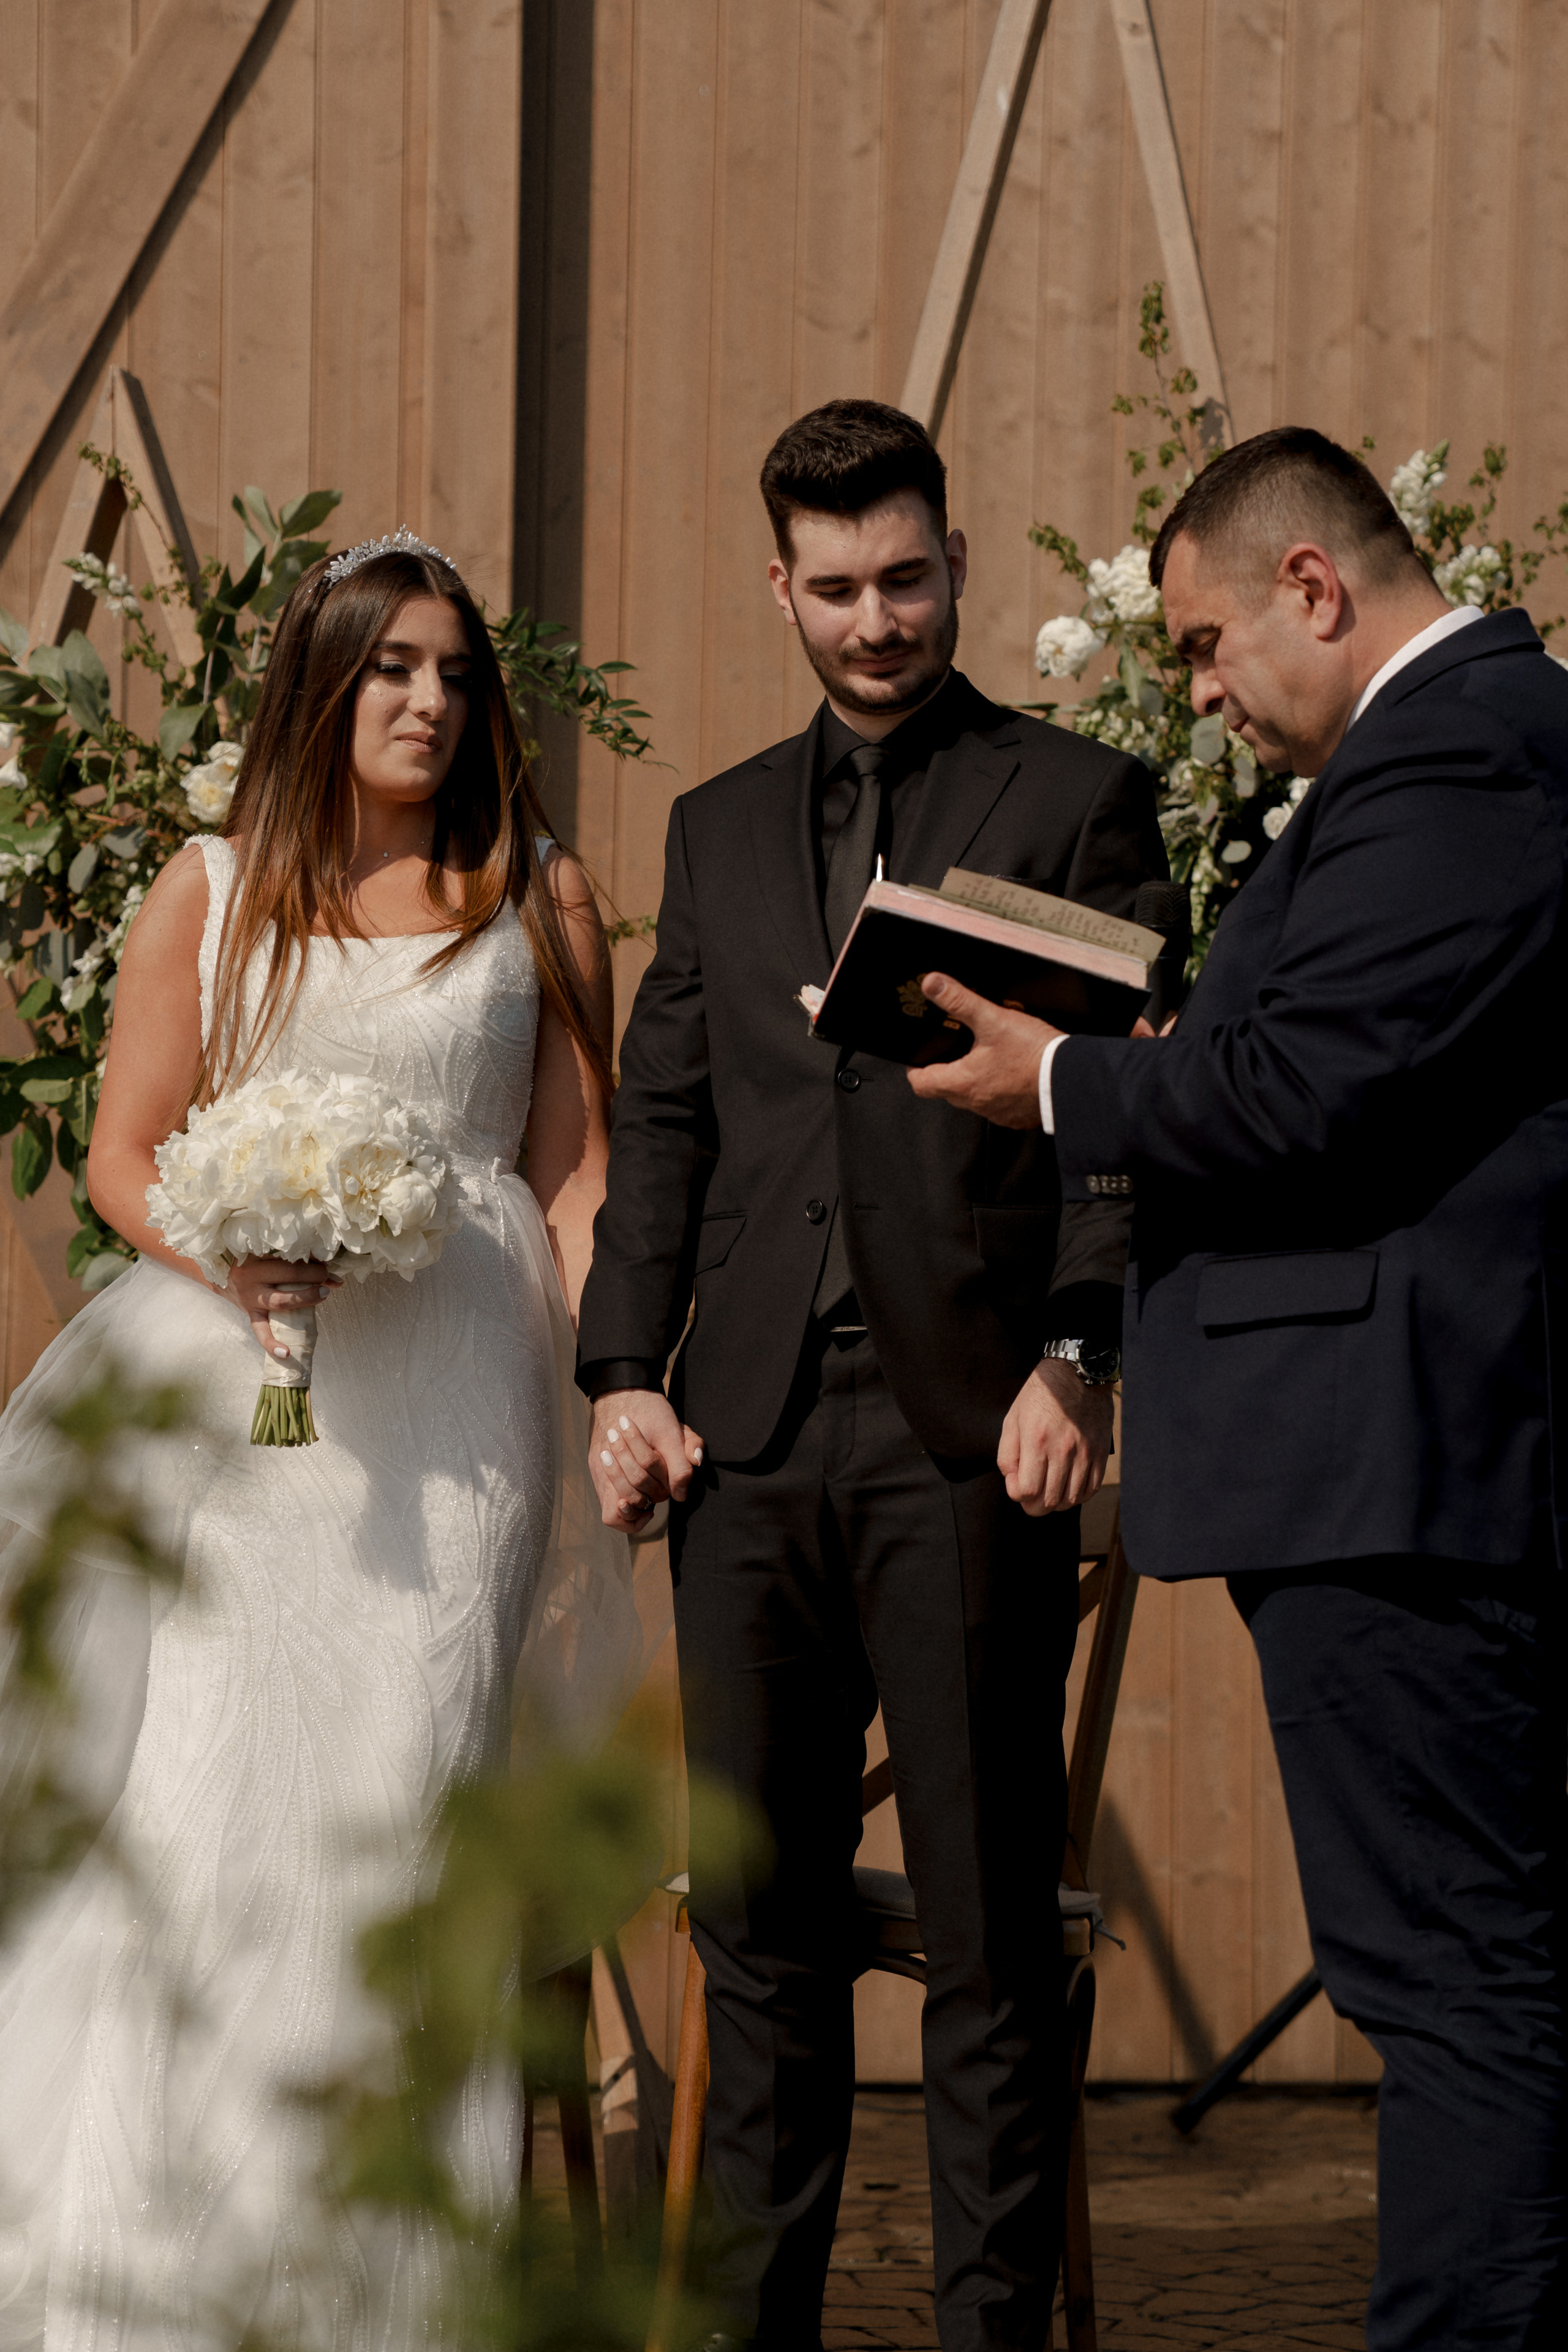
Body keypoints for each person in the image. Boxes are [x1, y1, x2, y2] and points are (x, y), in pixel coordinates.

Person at [906, 426, 1568, 2350]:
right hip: (1394, 1456)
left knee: (1449, 1976)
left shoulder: (1462, 751)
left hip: (1403, 1467)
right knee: (1465, 1966)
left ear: (1313, 586)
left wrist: (1053, 1077)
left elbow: (1310, 1099)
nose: (1197, 695)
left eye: (1204, 648)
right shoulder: (1444, 760)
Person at [0, 533, 642, 2344]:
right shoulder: (209, 890)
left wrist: (615, 1383)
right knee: (212, 1809)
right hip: (247, 1404)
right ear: (324, 681)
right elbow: (128, 1153)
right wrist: (243, 1251)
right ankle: (162, 2276)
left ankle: (388, 2293)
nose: (429, 702)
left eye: (453, 674)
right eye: (392, 670)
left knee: (407, 1824)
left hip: (468, 1421)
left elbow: (573, 1174)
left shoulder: (539, 893)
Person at [575, 399, 1166, 2350]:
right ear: (781, 587)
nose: (876, 618)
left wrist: (1080, 1356)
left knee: (993, 1940)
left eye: (907, 577)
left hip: (970, 1430)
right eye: (835, 587)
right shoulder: (717, 828)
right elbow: (666, 1127)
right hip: (739, 1445)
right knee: (762, 1935)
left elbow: (1118, 1124)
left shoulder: (1079, 798)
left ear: (958, 564)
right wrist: (618, 1375)